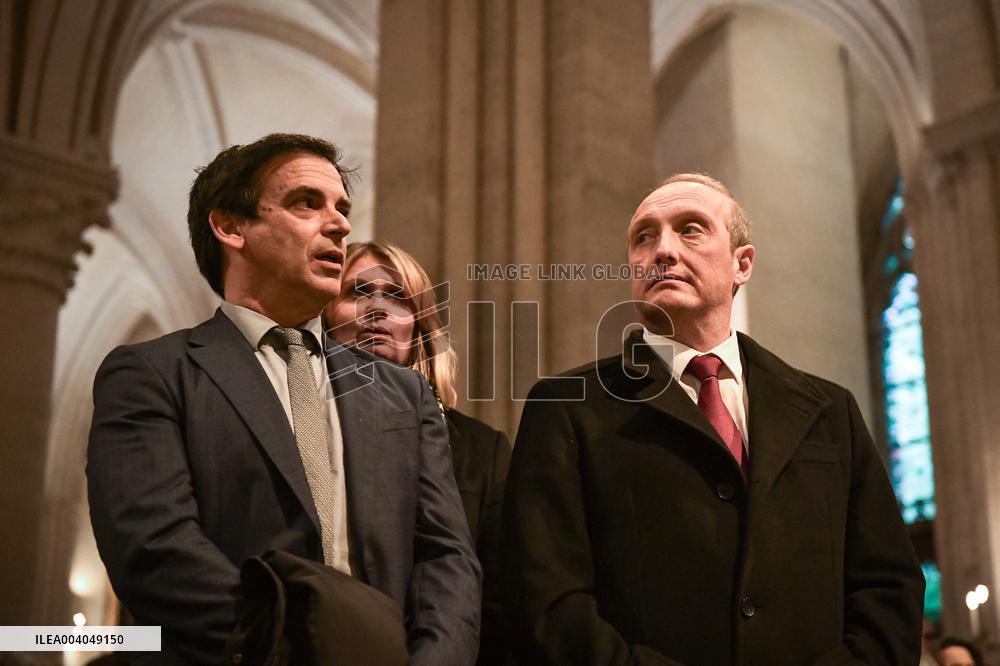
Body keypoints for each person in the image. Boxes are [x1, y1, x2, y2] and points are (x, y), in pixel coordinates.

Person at [87, 134, 481, 665]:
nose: (340, 224)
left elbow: (447, 558)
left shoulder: (402, 392)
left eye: (342, 208)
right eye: (306, 203)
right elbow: (153, 548)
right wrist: (289, 651)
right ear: (230, 226)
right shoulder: (155, 373)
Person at [503, 172, 925, 665]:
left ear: (741, 263)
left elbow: (888, 589)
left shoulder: (830, 411)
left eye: (690, 229)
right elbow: (546, 603)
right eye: (644, 236)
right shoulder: (567, 408)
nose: (662, 250)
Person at [326, 241, 512, 666]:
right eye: (357, 292)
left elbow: (501, 600)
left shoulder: (482, 451)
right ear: (325, 316)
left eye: (397, 298)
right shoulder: (299, 421)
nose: (376, 309)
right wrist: (140, 644)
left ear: (420, 327)